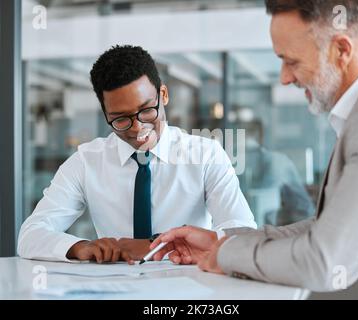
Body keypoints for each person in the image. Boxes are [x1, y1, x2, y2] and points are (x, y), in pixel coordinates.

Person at [151, 0, 358, 298]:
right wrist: (222, 244)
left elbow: (324, 259)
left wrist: (228, 255)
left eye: (292, 61)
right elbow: (331, 228)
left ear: (342, 50)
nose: (284, 78)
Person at [17, 45, 256, 264]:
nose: (136, 127)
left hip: (188, 288)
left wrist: (157, 245)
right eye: (120, 118)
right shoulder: (86, 162)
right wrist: (79, 247)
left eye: (146, 110)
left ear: (163, 95)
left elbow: (243, 232)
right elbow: (31, 235)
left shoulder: (206, 155)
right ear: (106, 115)